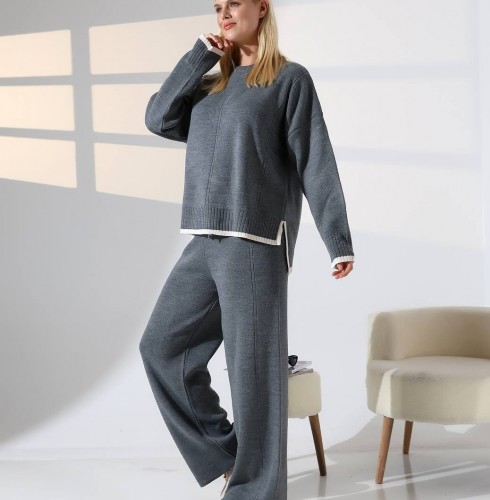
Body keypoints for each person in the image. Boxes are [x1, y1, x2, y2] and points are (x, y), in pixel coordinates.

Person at [138, 0, 355, 498]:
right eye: (217, 7)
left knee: (253, 375)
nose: (224, 13)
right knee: (162, 347)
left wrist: (337, 240)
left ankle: (256, 491)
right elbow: (157, 118)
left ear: (261, 8)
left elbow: (315, 159)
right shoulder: (207, 86)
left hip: (257, 242)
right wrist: (197, 57)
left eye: (234, 3)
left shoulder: (288, 80)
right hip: (204, 239)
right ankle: (229, 458)